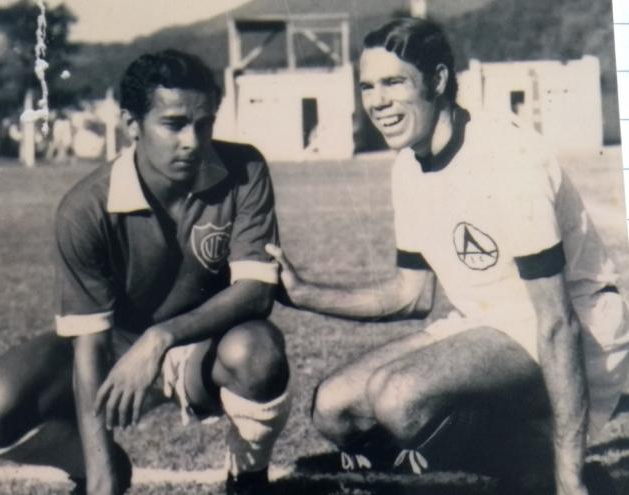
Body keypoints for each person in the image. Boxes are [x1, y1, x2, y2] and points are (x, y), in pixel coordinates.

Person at [266, 17, 629, 494]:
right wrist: (305, 293)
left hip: (576, 326)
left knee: (398, 398)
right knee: (336, 407)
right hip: (487, 324)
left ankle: (538, 461)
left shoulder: (508, 159)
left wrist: (570, 480)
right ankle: (504, 458)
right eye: (368, 86)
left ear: (437, 80)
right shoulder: (408, 166)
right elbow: (409, 294)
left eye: (395, 82)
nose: (378, 101)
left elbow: (557, 321)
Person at [0, 49, 291, 495]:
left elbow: (256, 293)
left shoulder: (244, 169)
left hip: (202, 348)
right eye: (175, 124)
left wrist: (159, 339)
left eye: (204, 123)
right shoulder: (85, 209)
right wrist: (102, 479)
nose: (193, 141)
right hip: (115, 353)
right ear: (131, 124)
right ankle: (97, 469)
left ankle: (248, 479)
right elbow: (90, 347)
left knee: (257, 350)